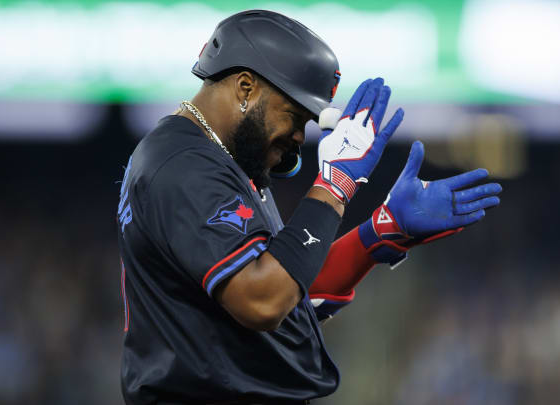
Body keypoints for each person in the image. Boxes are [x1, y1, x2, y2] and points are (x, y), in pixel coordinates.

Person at [116, 9, 502, 404]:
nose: (301, 135)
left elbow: (289, 294)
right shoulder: (185, 165)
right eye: (296, 116)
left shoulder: (221, 160)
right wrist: (335, 186)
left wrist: (378, 233)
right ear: (246, 88)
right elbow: (262, 300)